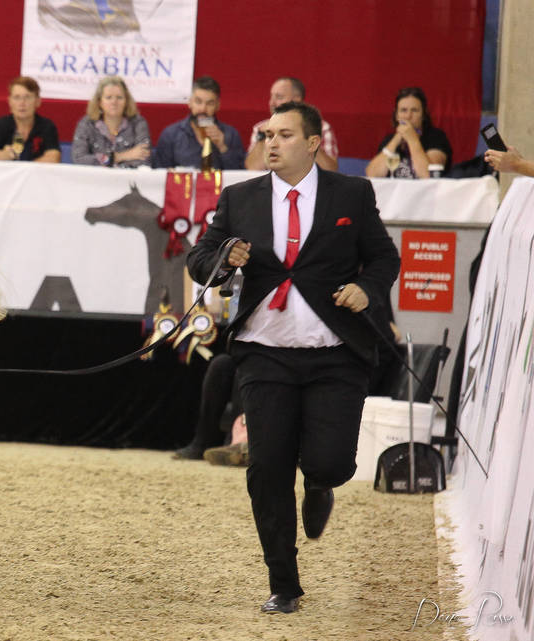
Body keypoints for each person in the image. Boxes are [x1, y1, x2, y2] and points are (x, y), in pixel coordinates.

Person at [188, 101, 401, 614]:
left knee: (329, 463)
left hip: (335, 353)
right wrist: (224, 259)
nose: (272, 142)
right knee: (267, 468)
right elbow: (200, 261)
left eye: (284, 134)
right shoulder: (239, 198)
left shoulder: (352, 192)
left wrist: (366, 290)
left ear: (312, 143)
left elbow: (384, 257)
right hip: (266, 353)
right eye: (267, 134)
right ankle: (283, 583)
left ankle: (322, 485)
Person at [245, 77, 338, 172]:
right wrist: (264, 136)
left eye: (279, 97)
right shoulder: (260, 128)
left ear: (296, 100)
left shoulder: (322, 128)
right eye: (271, 97)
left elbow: (329, 170)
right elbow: (253, 169)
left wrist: (308, 131)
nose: (272, 103)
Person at [152, 76, 245, 170]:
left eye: (210, 103)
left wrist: (222, 147)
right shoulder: (171, 134)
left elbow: (239, 177)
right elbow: (160, 175)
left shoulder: (231, 134)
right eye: (198, 102)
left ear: (218, 105)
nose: (203, 109)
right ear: (190, 102)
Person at [365, 87, 451, 179]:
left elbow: (428, 175)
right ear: (396, 115)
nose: (408, 116)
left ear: (423, 115)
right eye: (403, 110)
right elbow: (372, 175)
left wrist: (412, 139)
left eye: (414, 110)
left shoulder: (436, 137)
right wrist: (396, 140)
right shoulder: (389, 140)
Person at [71, 76, 151, 168]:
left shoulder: (138, 123)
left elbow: (143, 160)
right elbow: (79, 159)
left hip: (127, 180)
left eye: (119, 97)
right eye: (108, 97)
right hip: (93, 180)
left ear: (126, 101)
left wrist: (104, 162)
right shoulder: (87, 124)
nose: (114, 102)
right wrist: (119, 157)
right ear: (99, 102)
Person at [0, 77, 61, 162]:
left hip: (37, 174)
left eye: (27, 97)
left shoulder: (47, 126)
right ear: (9, 102)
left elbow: (54, 157)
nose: (22, 103)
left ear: (38, 101)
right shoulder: (0, 125)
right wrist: (4, 155)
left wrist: (24, 169)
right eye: (17, 97)